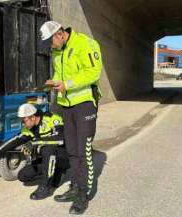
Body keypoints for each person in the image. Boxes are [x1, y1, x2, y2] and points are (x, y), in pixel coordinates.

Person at [40, 21, 102, 215]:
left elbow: (93, 72)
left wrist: (67, 84)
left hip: (84, 105)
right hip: (67, 106)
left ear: (59, 34)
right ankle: (75, 186)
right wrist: (54, 82)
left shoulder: (86, 43)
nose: (50, 47)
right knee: (72, 150)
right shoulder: (58, 51)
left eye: (51, 41)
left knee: (84, 151)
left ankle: (83, 195)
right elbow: (60, 73)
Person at [7, 103, 69, 200]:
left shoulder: (52, 118)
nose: (23, 124)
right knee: (22, 176)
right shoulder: (28, 128)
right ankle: (48, 173)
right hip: (45, 160)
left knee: (48, 149)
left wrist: (33, 143)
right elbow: (14, 141)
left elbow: (61, 138)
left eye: (24, 120)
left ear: (32, 117)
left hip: (62, 157)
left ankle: (46, 186)